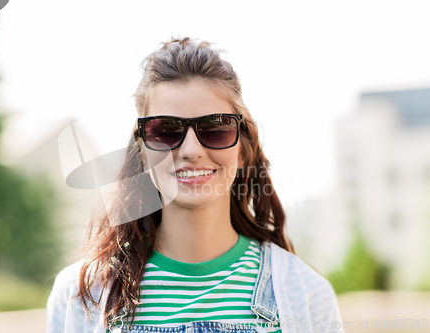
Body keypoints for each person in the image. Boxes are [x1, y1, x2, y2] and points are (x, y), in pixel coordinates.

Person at [46, 37, 345, 333]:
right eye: (165, 130)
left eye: (215, 128)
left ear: (242, 150)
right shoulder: (79, 298)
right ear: (143, 153)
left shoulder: (307, 295)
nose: (190, 150)